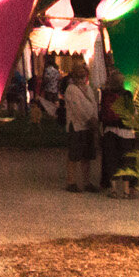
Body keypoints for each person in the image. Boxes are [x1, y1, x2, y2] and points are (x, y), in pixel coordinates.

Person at [61, 61, 101, 193]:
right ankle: (71, 181)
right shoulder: (71, 89)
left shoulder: (88, 89)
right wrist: (89, 119)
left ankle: (86, 181)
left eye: (83, 75)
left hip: (88, 126)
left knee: (87, 156)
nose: (82, 78)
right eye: (79, 75)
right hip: (77, 126)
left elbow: (93, 105)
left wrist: (94, 119)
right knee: (74, 155)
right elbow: (77, 108)